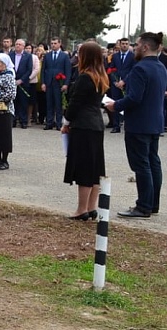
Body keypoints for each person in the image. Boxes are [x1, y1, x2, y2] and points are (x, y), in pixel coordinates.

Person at [105, 32, 167, 218]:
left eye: (137, 45)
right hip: (154, 122)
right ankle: (153, 203)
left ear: (146, 47)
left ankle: (143, 206)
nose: (134, 48)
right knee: (153, 162)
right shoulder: (161, 67)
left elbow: (134, 98)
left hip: (139, 123)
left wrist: (115, 105)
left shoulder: (140, 69)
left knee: (141, 165)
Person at [61, 42, 108, 220]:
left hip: (83, 125)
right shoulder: (101, 76)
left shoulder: (85, 77)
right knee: (95, 168)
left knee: (84, 168)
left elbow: (75, 103)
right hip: (96, 124)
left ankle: (81, 209)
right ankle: (91, 207)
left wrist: (66, 121)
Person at [41, 37, 72, 131]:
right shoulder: (47, 55)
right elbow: (43, 70)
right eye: (52, 43)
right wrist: (43, 83)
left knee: (58, 104)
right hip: (49, 82)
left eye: (55, 43)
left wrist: (66, 84)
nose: (53, 45)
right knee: (49, 104)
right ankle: (49, 122)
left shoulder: (64, 56)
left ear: (59, 44)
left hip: (59, 83)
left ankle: (59, 123)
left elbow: (68, 71)